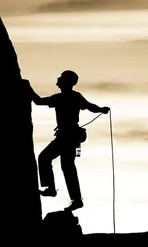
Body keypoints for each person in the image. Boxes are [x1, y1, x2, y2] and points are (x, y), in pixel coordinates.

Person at [24, 70, 110, 211]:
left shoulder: (61, 98)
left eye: (61, 77)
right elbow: (90, 107)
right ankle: (75, 199)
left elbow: (38, 101)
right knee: (67, 167)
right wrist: (101, 109)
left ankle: (52, 189)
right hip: (71, 136)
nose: (58, 78)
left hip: (66, 136)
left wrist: (27, 88)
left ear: (67, 82)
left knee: (45, 158)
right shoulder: (75, 97)